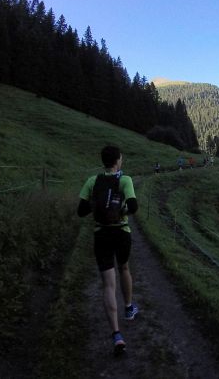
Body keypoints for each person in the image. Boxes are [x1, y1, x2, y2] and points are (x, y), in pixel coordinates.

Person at [77, 145, 139, 355]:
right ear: (118, 160)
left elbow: (81, 211)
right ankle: (128, 308)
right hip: (121, 233)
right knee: (124, 268)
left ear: (103, 161)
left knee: (108, 284)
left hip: (101, 234)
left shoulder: (92, 181)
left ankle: (116, 335)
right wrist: (121, 210)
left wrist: (97, 205)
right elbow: (133, 206)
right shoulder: (125, 180)